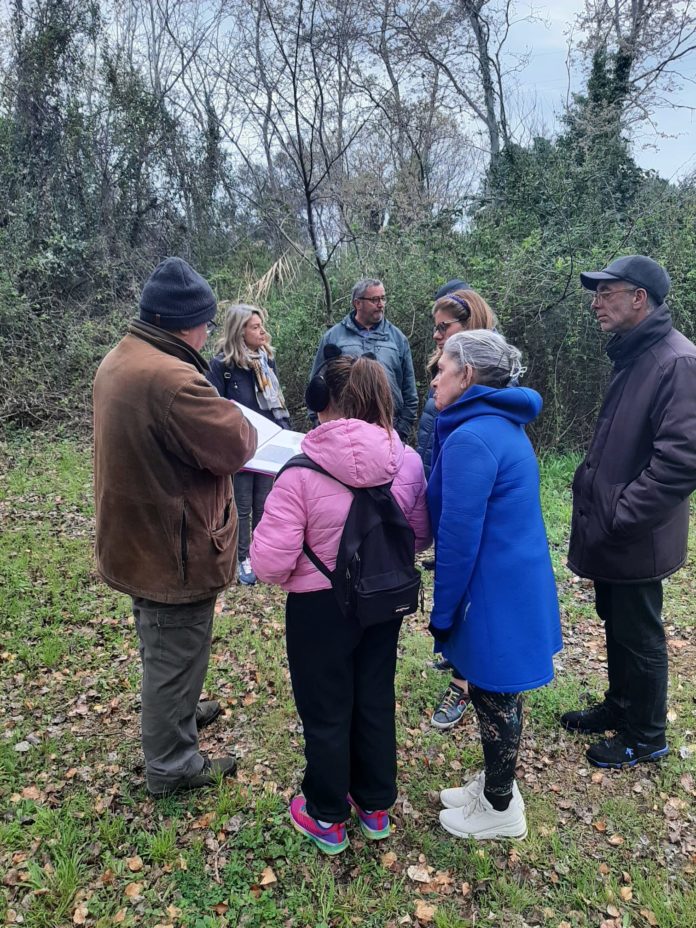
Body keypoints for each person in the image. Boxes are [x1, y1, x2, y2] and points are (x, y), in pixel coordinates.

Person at [250, 356, 430, 854]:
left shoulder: (299, 470)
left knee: (326, 706)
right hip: (382, 602)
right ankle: (374, 806)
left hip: (318, 609)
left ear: (323, 403)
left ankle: (326, 813)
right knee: (373, 696)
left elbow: (268, 563)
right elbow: (416, 538)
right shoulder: (407, 460)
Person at [93, 257, 257, 798]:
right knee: (173, 648)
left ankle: (179, 712)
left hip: (137, 536)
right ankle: (171, 763)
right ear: (185, 323)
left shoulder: (121, 357)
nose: (209, 331)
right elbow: (235, 444)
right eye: (206, 321)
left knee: (164, 644)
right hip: (172, 545)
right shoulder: (171, 379)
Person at [562, 255, 696, 768]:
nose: (596, 303)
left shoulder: (676, 361)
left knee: (639, 630)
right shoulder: (635, 354)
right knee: (616, 621)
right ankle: (620, 706)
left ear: (639, 298)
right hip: (619, 530)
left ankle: (647, 734)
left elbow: (681, 462)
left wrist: (621, 514)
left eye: (606, 293)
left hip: (636, 532)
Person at [428, 330, 562, 840]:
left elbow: (458, 540)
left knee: (494, 691)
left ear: (467, 375)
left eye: (442, 367)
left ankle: (502, 807)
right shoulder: (495, 423)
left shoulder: (473, 437)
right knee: (493, 688)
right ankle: (496, 784)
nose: (435, 375)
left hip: (493, 586)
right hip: (511, 577)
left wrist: (443, 615)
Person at [416, 287, 498, 731]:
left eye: (444, 327)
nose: (436, 335)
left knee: (466, 582)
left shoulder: (484, 378)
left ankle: (465, 683)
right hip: (443, 483)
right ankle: (454, 655)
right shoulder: (444, 370)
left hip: (465, 493)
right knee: (448, 574)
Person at [207, 303, 290, 586]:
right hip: (240, 447)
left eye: (261, 325)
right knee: (241, 505)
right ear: (239, 331)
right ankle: (242, 558)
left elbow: (275, 404)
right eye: (255, 327)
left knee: (264, 504)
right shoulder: (222, 366)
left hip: (268, 445)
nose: (262, 331)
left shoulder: (266, 361)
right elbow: (215, 408)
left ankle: (261, 556)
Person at [308, 278, 418, 441]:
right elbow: (316, 383)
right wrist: (320, 425)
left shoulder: (397, 338)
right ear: (357, 303)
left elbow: (410, 392)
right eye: (375, 299)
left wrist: (401, 431)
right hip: (343, 433)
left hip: (387, 432)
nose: (381, 304)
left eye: (383, 298)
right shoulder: (334, 337)